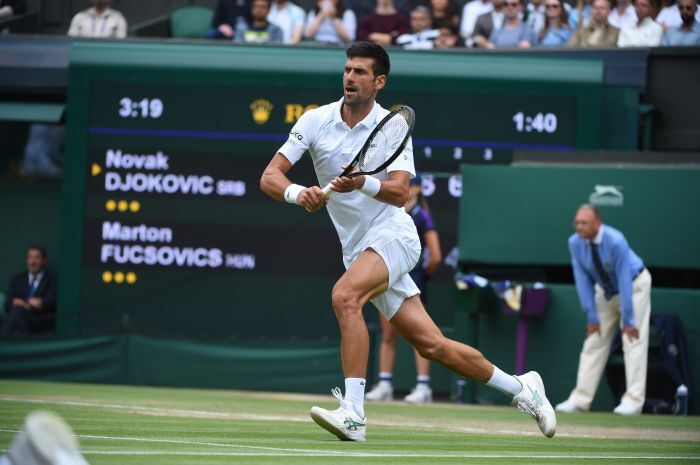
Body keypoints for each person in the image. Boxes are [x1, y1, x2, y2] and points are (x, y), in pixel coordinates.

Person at [260, 41, 556, 442]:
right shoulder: (315, 120)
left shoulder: (393, 126)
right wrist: (299, 194)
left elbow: (400, 192)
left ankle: (354, 414)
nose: (350, 77)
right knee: (432, 346)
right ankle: (522, 388)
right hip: (358, 249)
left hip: (394, 235)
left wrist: (362, 182)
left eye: (360, 71)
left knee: (345, 296)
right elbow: (270, 176)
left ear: (379, 81)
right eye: (348, 69)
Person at [555, 205, 651, 416]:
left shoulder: (616, 240)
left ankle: (633, 402)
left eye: (584, 223)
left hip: (633, 286)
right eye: (577, 223)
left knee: (633, 340)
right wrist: (592, 316)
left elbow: (624, 278)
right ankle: (580, 400)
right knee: (593, 341)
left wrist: (628, 319)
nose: (579, 227)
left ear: (598, 223)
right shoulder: (574, 243)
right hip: (605, 291)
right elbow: (582, 279)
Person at [365, 174, 442, 403]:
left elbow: (436, 256)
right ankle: (385, 384)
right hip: (388, 276)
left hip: (414, 279)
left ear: (417, 189)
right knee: (388, 334)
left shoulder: (422, 216)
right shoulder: (389, 212)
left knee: (421, 336)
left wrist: (423, 275)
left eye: (411, 185)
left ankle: (423, 387)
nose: (406, 188)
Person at [2, 246, 57, 335]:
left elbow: (52, 300)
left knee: (17, 313)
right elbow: (7, 304)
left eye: (36, 258)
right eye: (30, 257)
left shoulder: (51, 279)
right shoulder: (17, 279)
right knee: (17, 312)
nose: (32, 262)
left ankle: (4, 338)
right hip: (19, 320)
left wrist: (42, 302)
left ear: (44, 261)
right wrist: (15, 302)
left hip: (39, 322)